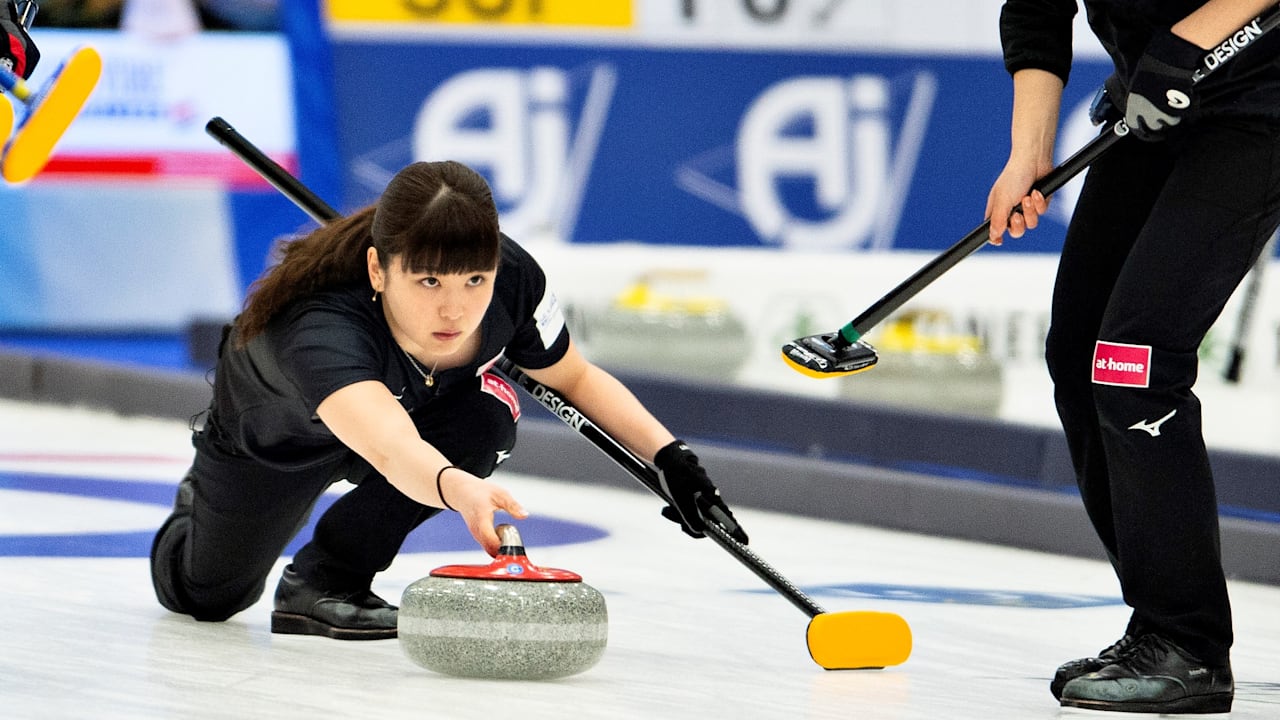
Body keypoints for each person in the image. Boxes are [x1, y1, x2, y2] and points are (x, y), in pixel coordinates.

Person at [149, 160, 748, 640]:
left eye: (474, 280)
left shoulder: (515, 278)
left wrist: (674, 461)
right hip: (278, 438)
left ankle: (327, 582)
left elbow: (576, 379)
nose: (455, 311)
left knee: (488, 417)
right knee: (207, 599)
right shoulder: (322, 327)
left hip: (411, 417)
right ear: (378, 271)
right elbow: (389, 446)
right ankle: (197, 509)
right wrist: (459, 486)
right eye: (429, 281)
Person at [986, 0, 1280, 713]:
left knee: (1135, 360)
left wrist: (1183, 45)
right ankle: (1159, 621)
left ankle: (1191, 645)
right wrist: (1029, 151)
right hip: (1155, 98)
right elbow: (1036, 9)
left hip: (1260, 103)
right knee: (1081, 356)